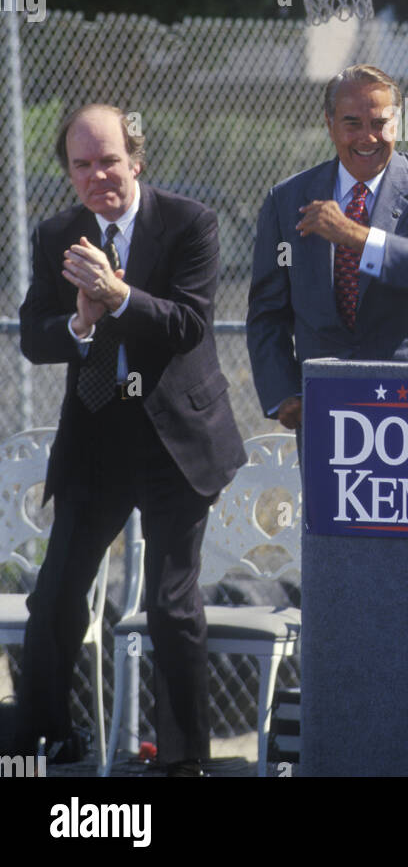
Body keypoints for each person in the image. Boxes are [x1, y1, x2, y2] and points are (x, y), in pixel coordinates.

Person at [14, 104, 246, 775]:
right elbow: (34, 337)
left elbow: (188, 325)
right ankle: (46, 745)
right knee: (55, 594)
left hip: (176, 439)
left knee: (171, 605)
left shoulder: (188, 223)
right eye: (81, 165)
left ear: (135, 159)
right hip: (97, 438)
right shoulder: (57, 232)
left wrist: (117, 296)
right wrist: (81, 324)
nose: (96, 177)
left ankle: (182, 763)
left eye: (109, 160)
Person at [246, 64, 408, 429]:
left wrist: (358, 237)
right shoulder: (287, 200)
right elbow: (267, 313)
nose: (368, 138)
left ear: (397, 123)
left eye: (380, 123)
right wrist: (283, 392)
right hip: (329, 412)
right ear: (329, 123)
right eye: (352, 123)